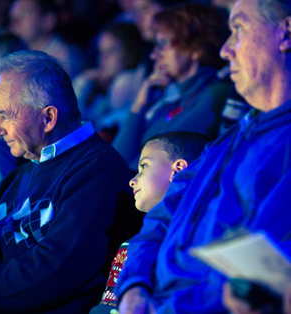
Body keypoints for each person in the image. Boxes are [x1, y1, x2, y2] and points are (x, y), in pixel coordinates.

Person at [115, 0, 291, 312]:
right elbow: (159, 217)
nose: (225, 50)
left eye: (238, 29)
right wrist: (134, 285)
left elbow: (258, 277)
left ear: (286, 33)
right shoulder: (227, 141)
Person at [0, 49, 143, 313]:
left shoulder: (97, 172)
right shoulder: (17, 176)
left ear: (49, 118)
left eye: (6, 115)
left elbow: (54, 271)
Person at [90, 131, 210, 313]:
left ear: (179, 170)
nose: (132, 181)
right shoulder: (134, 244)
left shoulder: (198, 236)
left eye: (144, 166)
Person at [113, 4, 231, 167]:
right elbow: (118, 159)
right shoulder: (172, 101)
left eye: (163, 43)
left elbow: (148, 164)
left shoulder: (216, 94)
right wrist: (138, 106)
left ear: (196, 48)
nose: (154, 55)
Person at [72, 22, 145, 141]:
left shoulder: (127, 86)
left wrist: (82, 83)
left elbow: (73, 128)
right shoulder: (101, 92)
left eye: (111, 51)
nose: (103, 58)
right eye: (101, 51)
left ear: (131, 53)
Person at [9, 0, 86, 78]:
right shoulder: (21, 54)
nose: (15, 21)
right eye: (12, 16)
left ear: (49, 20)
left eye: (23, 14)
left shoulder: (64, 61)